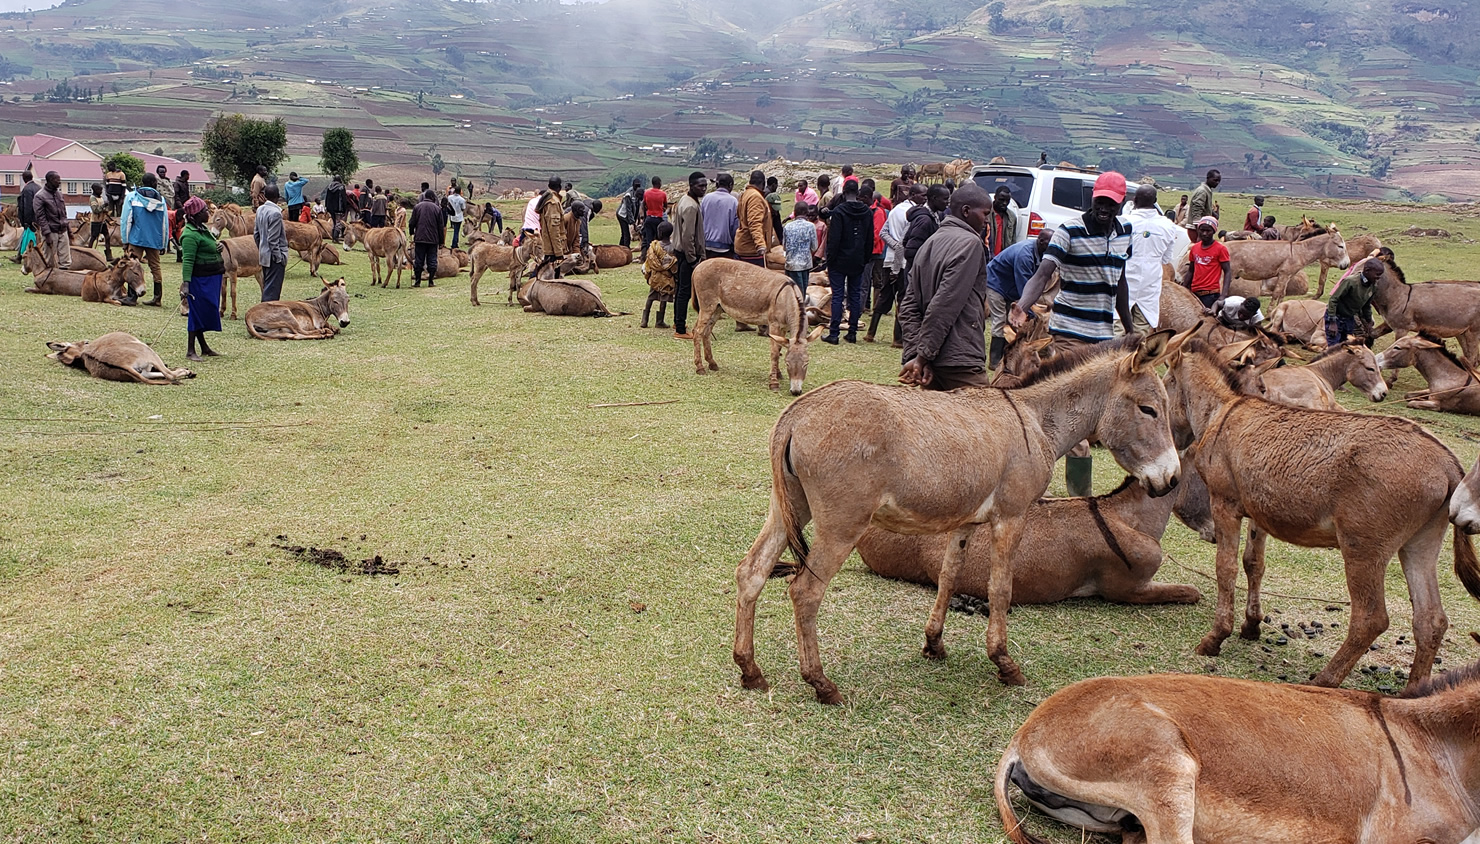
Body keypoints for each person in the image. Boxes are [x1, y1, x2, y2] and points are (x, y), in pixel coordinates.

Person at [1011, 171, 1136, 496]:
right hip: (1069, 333)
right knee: (1076, 418)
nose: (1104, 207)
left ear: (1121, 204)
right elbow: (1043, 273)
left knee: (1099, 412)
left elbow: (1119, 281)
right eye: (1100, 200)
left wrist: (1130, 328)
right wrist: (1024, 304)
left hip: (1104, 337)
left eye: (1111, 202)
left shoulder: (1125, 232)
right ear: (1091, 199)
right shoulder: (1069, 231)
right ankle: (1078, 497)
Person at [896, 184, 993, 391]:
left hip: (932, 361)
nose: (987, 220)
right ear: (966, 211)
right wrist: (921, 358)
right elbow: (945, 304)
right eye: (985, 214)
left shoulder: (930, 243)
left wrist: (917, 354)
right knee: (986, 418)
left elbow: (908, 306)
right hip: (960, 359)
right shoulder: (971, 244)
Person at [985, 229, 1053, 369]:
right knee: (1000, 320)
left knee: (1012, 323)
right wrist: (1032, 312)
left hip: (1010, 287)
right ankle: (995, 361)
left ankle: (1007, 356)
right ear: (1040, 241)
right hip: (996, 284)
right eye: (1049, 245)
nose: (1052, 249)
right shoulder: (1025, 255)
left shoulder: (1040, 254)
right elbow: (1025, 287)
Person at [1122, 183, 1183, 333]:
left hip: (1124, 280)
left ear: (1134, 200)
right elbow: (1166, 259)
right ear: (1155, 200)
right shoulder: (1168, 226)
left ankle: (1117, 356)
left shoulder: (1123, 222)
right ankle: (1135, 356)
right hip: (1150, 283)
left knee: (1118, 325)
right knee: (1141, 328)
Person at [870, 183, 923, 344]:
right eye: (923, 195)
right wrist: (899, 251)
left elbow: (883, 233)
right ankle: (897, 338)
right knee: (902, 298)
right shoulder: (912, 214)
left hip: (889, 259)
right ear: (913, 195)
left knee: (885, 296)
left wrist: (893, 245)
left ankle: (871, 332)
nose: (925, 198)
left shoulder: (894, 210)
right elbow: (903, 242)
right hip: (901, 262)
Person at [823, 179, 874, 345]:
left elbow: (834, 239)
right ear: (858, 193)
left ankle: (834, 333)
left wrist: (829, 259)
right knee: (855, 294)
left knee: (838, 295)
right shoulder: (866, 212)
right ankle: (852, 332)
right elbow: (869, 238)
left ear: (844, 193)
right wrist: (865, 257)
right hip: (858, 259)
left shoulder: (839, 212)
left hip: (839, 260)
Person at [178, 196, 223, 361]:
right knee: (196, 313)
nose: (207, 212)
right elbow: (188, 261)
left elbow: (211, 245)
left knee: (206, 310)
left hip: (211, 277)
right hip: (200, 280)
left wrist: (219, 246)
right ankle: (190, 350)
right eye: (204, 210)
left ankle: (204, 347)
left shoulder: (202, 229)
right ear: (196, 214)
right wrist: (186, 284)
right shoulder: (189, 235)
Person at [121, 172, 168, 305]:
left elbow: (126, 220)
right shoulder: (161, 200)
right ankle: (157, 298)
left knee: (132, 265)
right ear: (155, 184)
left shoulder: (132, 197)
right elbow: (165, 224)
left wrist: (125, 239)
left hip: (136, 238)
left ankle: (132, 297)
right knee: (155, 267)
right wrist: (164, 243)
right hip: (154, 239)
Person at [670, 171, 708, 340]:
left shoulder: (685, 201)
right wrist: (693, 259)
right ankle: (680, 328)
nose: (704, 189)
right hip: (687, 254)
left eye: (705, 185)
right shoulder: (691, 206)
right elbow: (688, 236)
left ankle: (678, 321)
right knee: (684, 291)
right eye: (701, 186)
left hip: (680, 251)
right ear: (692, 186)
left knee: (680, 289)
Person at [1325, 255, 1382, 347]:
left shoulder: (1373, 287)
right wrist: (1332, 322)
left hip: (1349, 318)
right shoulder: (1351, 281)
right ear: (1367, 271)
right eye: (1377, 274)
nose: (1378, 277)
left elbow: (1366, 306)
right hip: (1336, 316)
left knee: (1345, 345)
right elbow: (1333, 299)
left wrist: (1368, 321)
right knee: (1334, 347)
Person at [1182, 216, 1231, 309]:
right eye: (1202, 230)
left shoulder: (1220, 249)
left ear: (1214, 231)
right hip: (1194, 292)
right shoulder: (1195, 248)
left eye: (1208, 231)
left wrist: (1223, 295)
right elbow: (1191, 270)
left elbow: (1227, 271)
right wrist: (1184, 288)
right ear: (1198, 230)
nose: (1204, 233)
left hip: (1210, 294)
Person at [254, 184, 288, 302]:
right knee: (272, 292)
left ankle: (264, 313)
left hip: (264, 255)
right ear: (278, 197)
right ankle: (266, 315)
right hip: (274, 258)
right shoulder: (276, 213)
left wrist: (262, 249)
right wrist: (279, 257)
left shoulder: (260, 209)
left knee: (267, 286)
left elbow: (256, 234)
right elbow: (273, 240)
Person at [641, 220, 677, 329]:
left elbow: (649, 261)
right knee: (663, 299)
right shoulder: (673, 248)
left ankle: (644, 320)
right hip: (666, 278)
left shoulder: (654, 246)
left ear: (659, 232)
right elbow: (674, 265)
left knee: (650, 297)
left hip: (655, 277)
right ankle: (659, 321)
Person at [734, 170, 774, 267]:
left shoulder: (746, 194)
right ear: (763, 183)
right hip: (751, 249)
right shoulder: (755, 197)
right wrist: (760, 245)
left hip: (744, 244)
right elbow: (754, 223)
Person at [34, 171, 71, 270]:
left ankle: (63, 281)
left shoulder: (59, 194)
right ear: (50, 180)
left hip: (63, 231)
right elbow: (40, 217)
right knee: (48, 260)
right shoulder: (40, 196)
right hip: (51, 232)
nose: (59, 182)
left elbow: (64, 213)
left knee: (65, 261)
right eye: (57, 180)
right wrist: (47, 234)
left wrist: (69, 230)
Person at [410, 189, 445, 287]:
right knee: (432, 260)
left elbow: (412, 222)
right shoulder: (437, 209)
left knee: (419, 260)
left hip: (420, 238)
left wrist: (412, 233)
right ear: (433, 198)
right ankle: (431, 281)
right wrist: (441, 241)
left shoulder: (417, 207)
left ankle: (417, 282)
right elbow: (440, 227)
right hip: (433, 239)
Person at [533, 177, 567, 278]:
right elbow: (554, 229)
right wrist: (559, 252)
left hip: (549, 245)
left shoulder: (548, 199)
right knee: (551, 277)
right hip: (553, 247)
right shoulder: (553, 202)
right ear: (559, 187)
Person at [700, 172, 739, 260]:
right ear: (730, 185)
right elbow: (735, 227)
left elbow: (700, 220)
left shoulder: (706, 198)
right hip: (724, 249)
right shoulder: (733, 202)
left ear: (717, 184)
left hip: (706, 246)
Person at [781, 201, 818, 293]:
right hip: (805, 265)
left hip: (791, 265)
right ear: (807, 213)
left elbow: (784, 247)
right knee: (801, 294)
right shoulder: (811, 226)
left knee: (791, 292)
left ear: (794, 212)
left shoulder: (787, 226)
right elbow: (814, 247)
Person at [983, 186, 1017, 258]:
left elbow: (1013, 241)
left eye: (1007, 201)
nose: (1004, 203)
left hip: (1002, 258)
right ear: (995, 197)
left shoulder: (1012, 217)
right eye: (1001, 200)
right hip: (987, 256)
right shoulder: (986, 213)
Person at [1185, 169, 1220, 241]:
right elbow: (1197, 210)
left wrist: (1213, 213)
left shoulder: (1207, 191)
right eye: (1215, 180)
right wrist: (1200, 234)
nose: (1217, 183)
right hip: (1196, 229)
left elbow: (1204, 207)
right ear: (1208, 178)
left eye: (1218, 181)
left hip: (1202, 229)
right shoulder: (1202, 191)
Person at [640, 175, 667, 262]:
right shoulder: (663, 194)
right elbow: (665, 206)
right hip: (658, 219)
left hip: (649, 219)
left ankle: (649, 258)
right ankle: (658, 257)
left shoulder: (646, 193)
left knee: (649, 239)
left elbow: (644, 205)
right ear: (659, 183)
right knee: (658, 239)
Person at [15, 170, 39, 261]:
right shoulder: (38, 187)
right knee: (27, 237)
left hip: (30, 220)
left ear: (24, 178)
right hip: (37, 218)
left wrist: (26, 221)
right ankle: (18, 257)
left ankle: (22, 256)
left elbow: (28, 206)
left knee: (29, 239)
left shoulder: (27, 189)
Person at [87, 183, 114, 261]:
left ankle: (109, 255)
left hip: (102, 220)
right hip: (96, 221)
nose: (101, 191)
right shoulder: (92, 198)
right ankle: (89, 253)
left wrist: (106, 209)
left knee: (107, 236)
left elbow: (102, 209)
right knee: (93, 237)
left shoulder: (101, 198)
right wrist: (103, 206)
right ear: (95, 190)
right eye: (99, 190)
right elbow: (95, 210)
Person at [617, 177, 644, 248]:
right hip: (622, 215)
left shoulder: (639, 193)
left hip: (628, 215)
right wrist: (633, 223)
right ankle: (626, 250)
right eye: (636, 185)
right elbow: (628, 210)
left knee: (624, 234)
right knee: (627, 235)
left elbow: (637, 208)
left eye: (639, 185)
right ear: (633, 185)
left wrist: (637, 219)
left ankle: (620, 248)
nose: (637, 187)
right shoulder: (628, 195)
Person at [325, 175, 348, 241]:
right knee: (338, 222)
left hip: (330, 208)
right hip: (338, 208)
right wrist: (344, 208)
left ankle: (333, 236)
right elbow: (343, 198)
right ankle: (336, 237)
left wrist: (327, 207)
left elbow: (327, 197)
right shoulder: (341, 187)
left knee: (334, 222)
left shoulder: (329, 187)